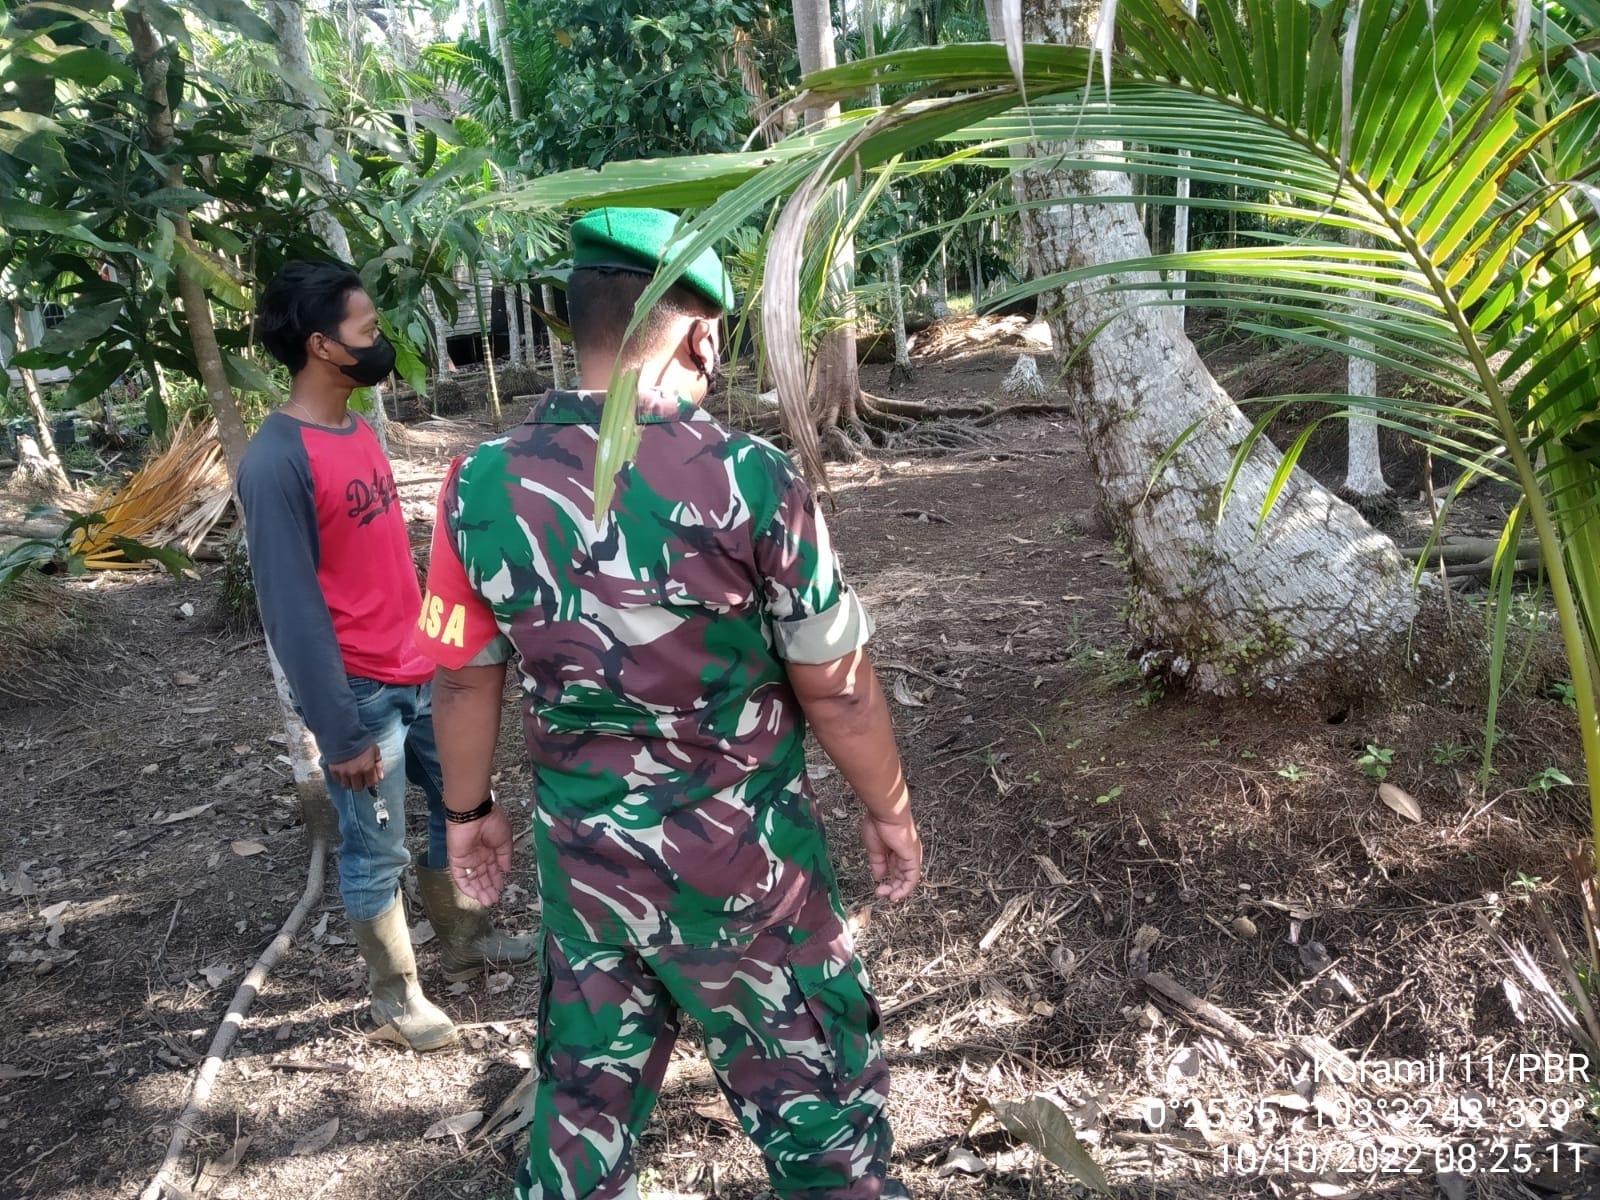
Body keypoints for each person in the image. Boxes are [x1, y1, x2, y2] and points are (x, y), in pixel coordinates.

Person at [413, 208, 923, 1199]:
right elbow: (836, 689)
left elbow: (462, 674)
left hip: (590, 872)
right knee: (822, 1132)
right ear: (701, 333)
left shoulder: (476, 487)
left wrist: (466, 816)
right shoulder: (754, 482)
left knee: (581, 1124)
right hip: (748, 879)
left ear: (579, 325)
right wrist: (888, 809)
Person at [238, 260, 535, 1053]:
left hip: (422, 670)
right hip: (362, 692)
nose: (380, 344)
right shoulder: (275, 462)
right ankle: (395, 995)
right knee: (376, 846)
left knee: (456, 810)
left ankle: (465, 943)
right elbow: (292, 611)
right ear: (321, 348)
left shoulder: (357, 428)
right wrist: (337, 734)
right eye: (366, 332)